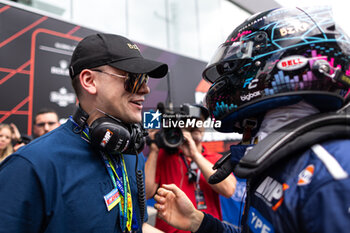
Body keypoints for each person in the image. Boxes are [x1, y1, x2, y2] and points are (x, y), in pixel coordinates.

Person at [154, 6, 350, 233]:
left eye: (237, 67)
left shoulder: (334, 176)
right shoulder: (277, 154)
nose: (229, 80)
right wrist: (198, 221)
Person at [0, 33, 168, 233]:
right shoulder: (31, 166)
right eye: (133, 78)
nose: (145, 89)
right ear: (89, 80)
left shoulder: (130, 152)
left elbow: (137, 226)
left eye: (145, 78)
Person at [145, 104, 236, 233]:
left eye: (201, 120)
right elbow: (147, 193)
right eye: (192, 120)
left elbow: (229, 190)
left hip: (206, 229)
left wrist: (195, 155)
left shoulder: (213, 158)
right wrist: (154, 150)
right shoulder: (164, 155)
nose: (197, 124)